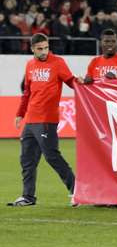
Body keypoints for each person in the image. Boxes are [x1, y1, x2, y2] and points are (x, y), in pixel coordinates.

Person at [7, 34, 77, 207]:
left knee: (52, 156)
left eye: (46, 47)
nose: (44, 51)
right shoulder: (30, 65)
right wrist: (20, 113)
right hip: (30, 120)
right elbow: (27, 93)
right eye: (40, 48)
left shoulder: (58, 62)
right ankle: (28, 197)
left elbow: (71, 82)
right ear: (32, 49)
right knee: (27, 160)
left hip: (47, 119)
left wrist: (85, 85)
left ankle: (77, 191)